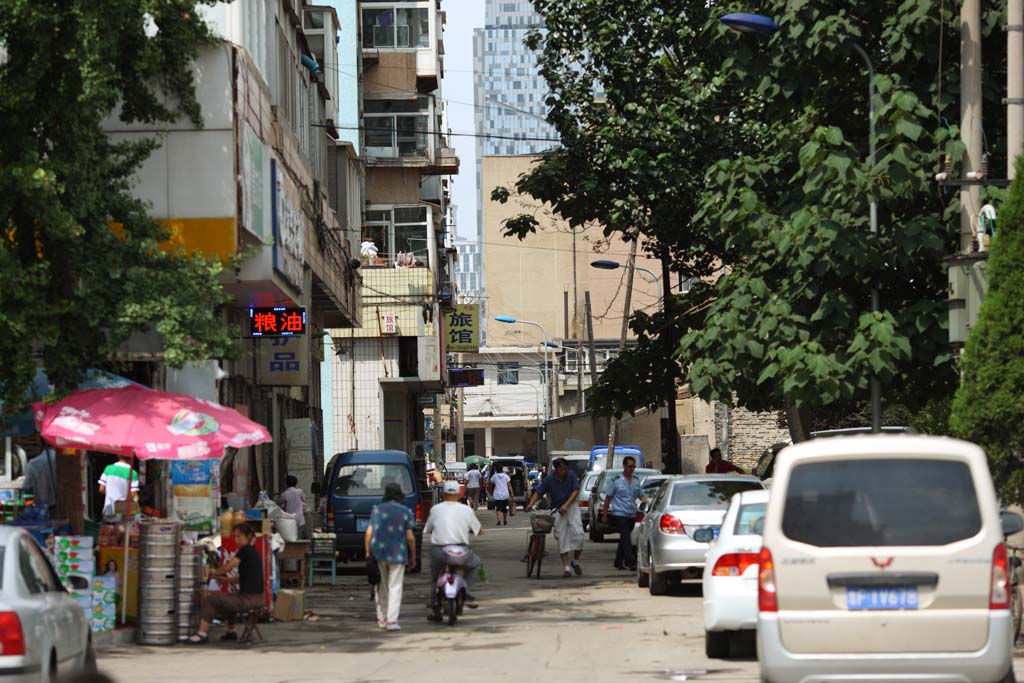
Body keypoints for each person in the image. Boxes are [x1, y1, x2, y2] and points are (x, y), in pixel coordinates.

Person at [188, 523, 264, 644]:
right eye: (234, 536)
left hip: (249, 599)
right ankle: (231, 631)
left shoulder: (245, 550)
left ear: (248, 536)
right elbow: (247, 576)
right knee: (228, 598)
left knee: (209, 600)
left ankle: (201, 634)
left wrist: (215, 572)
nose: (236, 539)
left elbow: (228, 566)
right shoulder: (253, 552)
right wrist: (228, 580)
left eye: (239, 536)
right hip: (257, 598)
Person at [425, 480, 483, 619]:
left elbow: (428, 529)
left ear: (443, 494)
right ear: (458, 494)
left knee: (435, 578)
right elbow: (479, 530)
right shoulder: (466, 510)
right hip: (461, 551)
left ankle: (435, 607)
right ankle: (465, 590)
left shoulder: (436, 509)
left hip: (440, 551)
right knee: (475, 564)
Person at [364, 482, 417, 632]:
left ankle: (382, 618)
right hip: (398, 553)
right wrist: (413, 557)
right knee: (395, 586)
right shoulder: (405, 511)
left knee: (381, 586)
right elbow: (410, 538)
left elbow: (368, 533)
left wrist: (368, 553)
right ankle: (392, 621)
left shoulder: (377, 510)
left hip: (379, 552)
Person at [525, 458, 584, 578]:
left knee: (579, 535)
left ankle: (575, 561)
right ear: (556, 469)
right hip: (557, 509)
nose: (564, 471)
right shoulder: (550, 479)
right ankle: (566, 568)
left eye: (565, 469)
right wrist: (530, 504)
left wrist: (566, 505)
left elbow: (575, 491)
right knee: (561, 537)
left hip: (571, 507)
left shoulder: (571, 475)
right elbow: (538, 492)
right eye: (562, 469)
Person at [600, 456, 649, 571]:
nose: (632, 469)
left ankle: (618, 562)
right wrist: (605, 515)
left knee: (624, 539)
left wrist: (647, 503)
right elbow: (608, 498)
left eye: (633, 467)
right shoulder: (616, 481)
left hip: (632, 514)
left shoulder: (636, 481)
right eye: (629, 466)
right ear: (624, 466)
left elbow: (641, 495)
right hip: (620, 514)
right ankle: (631, 562)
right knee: (626, 538)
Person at [23, 447, 57, 514]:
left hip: (41, 508)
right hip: (60, 507)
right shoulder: (61, 462)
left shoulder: (33, 463)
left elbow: (27, 487)